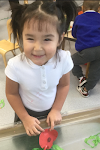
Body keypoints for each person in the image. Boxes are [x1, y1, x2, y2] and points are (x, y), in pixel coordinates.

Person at [5, 0, 77, 136]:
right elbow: (11, 93)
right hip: (25, 113)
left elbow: (63, 86)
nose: (38, 48)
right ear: (21, 36)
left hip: (51, 111)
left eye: (47, 39)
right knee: (27, 147)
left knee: (51, 143)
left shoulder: (63, 59)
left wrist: (56, 109)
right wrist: (25, 118)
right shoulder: (15, 66)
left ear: (60, 39)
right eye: (30, 38)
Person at [72, 0, 100, 98]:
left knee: (71, 61)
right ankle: (86, 89)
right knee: (95, 72)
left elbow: (74, 34)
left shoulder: (79, 18)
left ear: (82, 8)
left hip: (86, 50)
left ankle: (80, 77)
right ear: (99, 9)